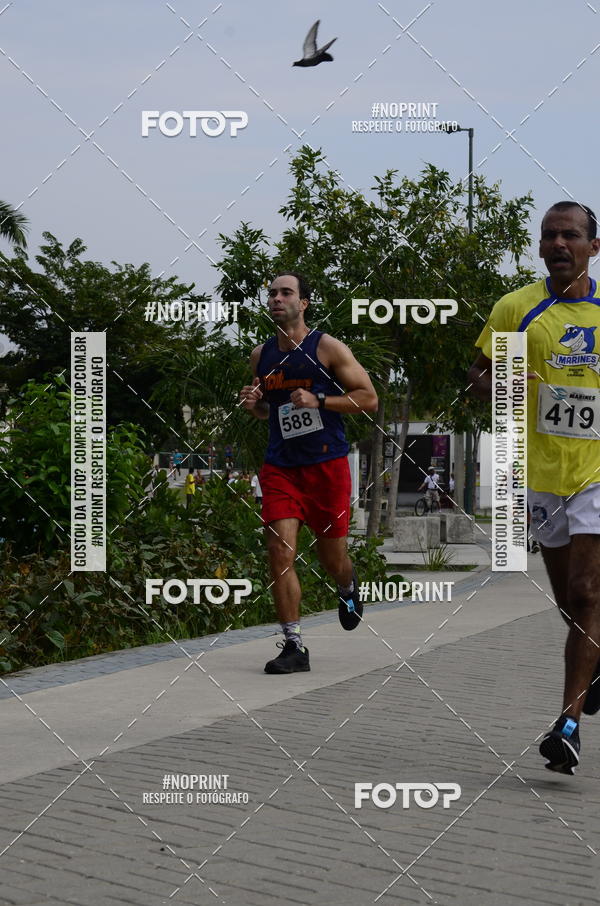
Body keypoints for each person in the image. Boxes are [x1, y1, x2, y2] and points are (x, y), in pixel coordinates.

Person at [468, 201, 600, 775]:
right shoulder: (516, 309)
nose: (557, 244)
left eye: (570, 235)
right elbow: (477, 373)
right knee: (571, 605)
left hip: (597, 470)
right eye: (549, 236)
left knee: (590, 591)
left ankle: (566, 726)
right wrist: (501, 384)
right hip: (541, 476)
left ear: (594, 246)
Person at [239, 271, 378, 674]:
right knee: (279, 552)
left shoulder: (327, 348)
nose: (276, 299)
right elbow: (270, 410)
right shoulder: (260, 355)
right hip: (281, 466)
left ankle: (348, 585)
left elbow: (368, 398)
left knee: (332, 557)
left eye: (286, 293)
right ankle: (294, 645)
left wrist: (319, 399)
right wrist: (255, 405)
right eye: (272, 294)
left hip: (326, 466)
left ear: (303, 304)